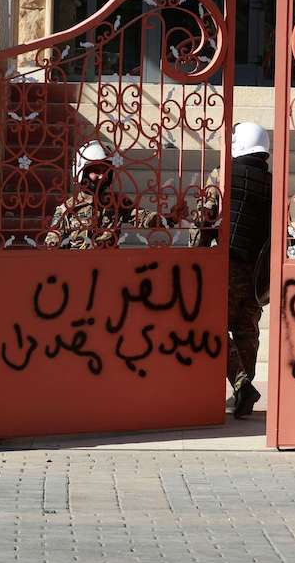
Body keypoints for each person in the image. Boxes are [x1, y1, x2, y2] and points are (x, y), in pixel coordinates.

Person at [194, 122, 272, 419]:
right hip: (257, 273)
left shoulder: (222, 176)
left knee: (214, 324)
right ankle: (244, 391)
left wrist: (197, 253)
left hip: (227, 266)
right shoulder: (271, 182)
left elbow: (204, 218)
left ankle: (241, 385)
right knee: (246, 330)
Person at [44, 140, 174, 249]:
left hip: (111, 270)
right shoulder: (67, 209)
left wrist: (172, 217)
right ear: (82, 171)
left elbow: (145, 219)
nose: (102, 176)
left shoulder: (117, 202)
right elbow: (52, 248)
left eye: (105, 171)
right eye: (95, 171)